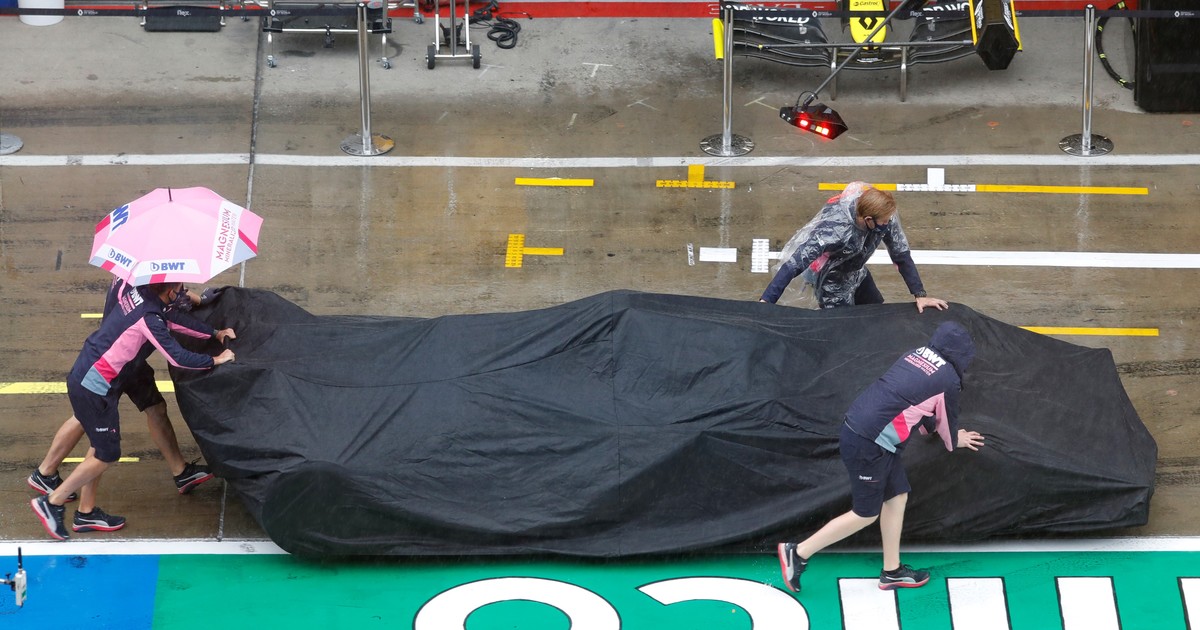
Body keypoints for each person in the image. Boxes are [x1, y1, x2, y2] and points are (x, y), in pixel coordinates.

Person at [776, 321, 983, 593]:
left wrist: (930, 428)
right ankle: (798, 552)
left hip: (863, 431)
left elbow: (918, 405)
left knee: (897, 497)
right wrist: (956, 439)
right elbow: (946, 425)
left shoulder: (915, 354)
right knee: (865, 514)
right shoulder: (949, 380)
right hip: (869, 444)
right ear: (961, 355)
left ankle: (892, 571)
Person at [30, 280, 235, 540]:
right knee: (106, 453)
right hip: (96, 385)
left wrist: (214, 333)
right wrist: (215, 359)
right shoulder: (149, 316)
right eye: (180, 289)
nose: (185, 293)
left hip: (94, 375)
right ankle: (52, 502)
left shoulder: (143, 294)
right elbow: (178, 357)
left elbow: (175, 320)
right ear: (169, 291)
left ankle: (85, 512)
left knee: (99, 446)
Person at [760, 182, 949, 312]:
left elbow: (901, 255)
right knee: (843, 328)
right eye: (884, 221)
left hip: (857, 272)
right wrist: (767, 300)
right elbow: (795, 264)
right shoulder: (834, 230)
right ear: (868, 219)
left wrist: (919, 294)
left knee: (875, 310)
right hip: (831, 281)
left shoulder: (884, 218)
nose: (888, 224)